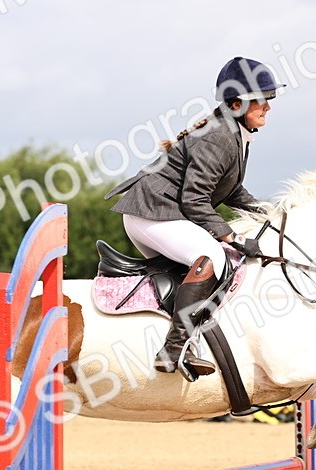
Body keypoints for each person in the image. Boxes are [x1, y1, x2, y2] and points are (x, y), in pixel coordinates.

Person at [105, 56, 284, 379]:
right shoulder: (219, 137)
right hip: (153, 213)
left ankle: (187, 343)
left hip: (162, 213)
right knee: (212, 257)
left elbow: (230, 191)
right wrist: (232, 236)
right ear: (237, 104)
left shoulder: (234, 134)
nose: (268, 106)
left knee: (200, 273)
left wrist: (271, 214)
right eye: (262, 100)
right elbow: (195, 199)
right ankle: (172, 349)